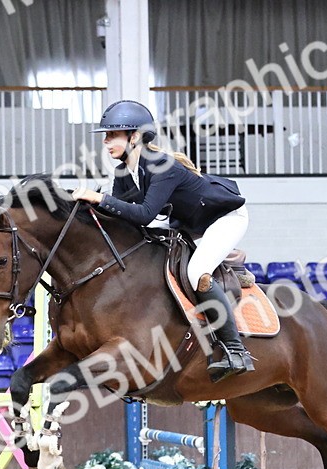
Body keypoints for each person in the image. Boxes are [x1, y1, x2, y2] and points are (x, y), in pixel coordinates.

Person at [70, 99, 254, 381]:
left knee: (196, 273)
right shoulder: (124, 173)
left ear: (134, 137)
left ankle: (236, 351)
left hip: (224, 218)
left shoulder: (161, 166)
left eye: (112, 135)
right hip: (189, 223)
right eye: (105, 136)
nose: (106, 142)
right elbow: (123, 218)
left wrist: (100, 198)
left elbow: (143, 214)